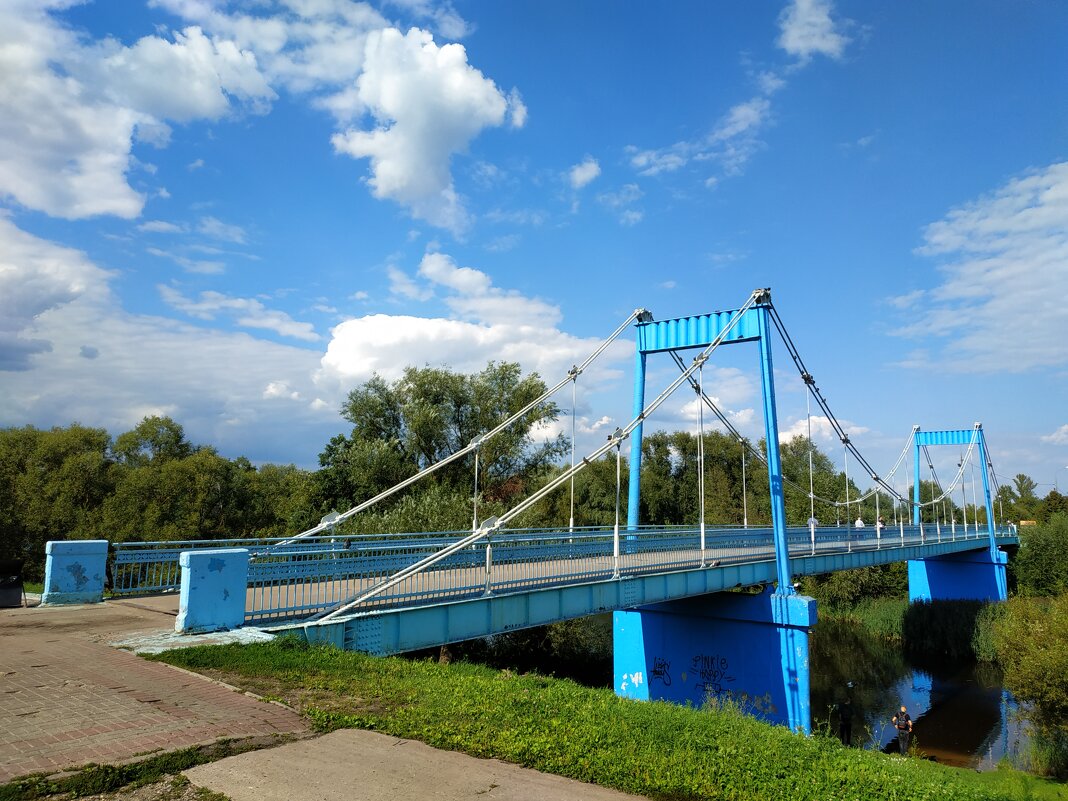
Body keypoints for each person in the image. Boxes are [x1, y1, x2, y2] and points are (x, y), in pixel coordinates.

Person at [838, 682, 854, 746]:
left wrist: (840, 721)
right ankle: (848, 744)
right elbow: (853, 715)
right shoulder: (850, 707)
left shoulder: (841, 705)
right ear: (849, 700)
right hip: (847, 722)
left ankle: (842, 744)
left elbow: (839, 714)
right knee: (848, 734)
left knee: (843, 734)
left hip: (843, 722)